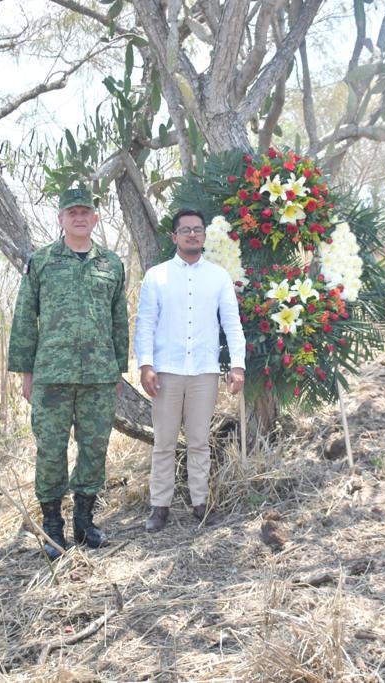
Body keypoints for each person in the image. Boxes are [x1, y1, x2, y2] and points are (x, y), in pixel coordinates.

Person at [8, 187, 129, 558]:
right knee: (50, 451)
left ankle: (84, 521)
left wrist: (118, 370)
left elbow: (119, 320)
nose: (79, 217)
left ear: (95, 219)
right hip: (52, 376)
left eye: (85, 212)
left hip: (98, 376)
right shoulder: (42, 261)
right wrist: (26, 372)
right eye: (71, 212)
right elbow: (25, 317)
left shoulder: (111, 264)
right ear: (60, 219)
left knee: (94, 449)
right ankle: (52, 525)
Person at [134, 209, 246, 532]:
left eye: (198, 229)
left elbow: (232, 324)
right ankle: (160, 507)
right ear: (174, 236)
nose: (192, 235)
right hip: (166, 372)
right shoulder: (157, 276)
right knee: (164, 442)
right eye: (185, 230)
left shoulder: (218, 277)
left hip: (203, 372)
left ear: (204, 235)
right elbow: (145, 324)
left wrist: (237, 365)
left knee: (199, 441)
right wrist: (145, 365)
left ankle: (201, 504)